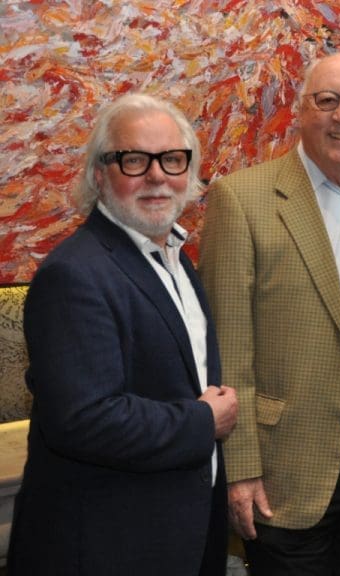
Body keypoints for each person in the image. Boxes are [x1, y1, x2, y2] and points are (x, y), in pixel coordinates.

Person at [198, 52, 340, 575]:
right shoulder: (242, 199)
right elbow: (228, 350)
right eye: (327, 100)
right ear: (301, 110)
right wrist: (240, 468)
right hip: (286, 466)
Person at [7, 93, 238, 575]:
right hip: (109, 548)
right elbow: (84, 420)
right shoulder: (73, 274)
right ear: (99, 175)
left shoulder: (176, 259)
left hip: (182, 536)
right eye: (134, 160)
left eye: (172, 159)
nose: (157, 176)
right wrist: (203, 422)